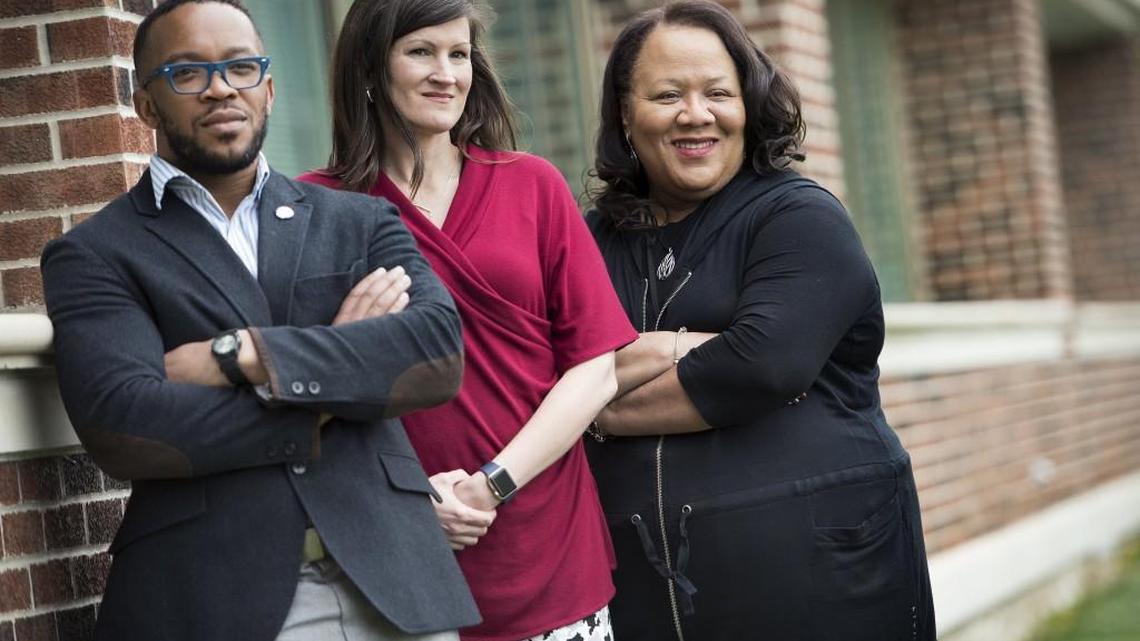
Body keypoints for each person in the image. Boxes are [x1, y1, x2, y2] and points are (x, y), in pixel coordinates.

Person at [39, 1, 481, 639]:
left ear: (269, 89)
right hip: (217, 595)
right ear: (146, 105)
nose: (222, 88)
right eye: (188, 74)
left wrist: (244, 354)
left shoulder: (359, 222)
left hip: (395, 579)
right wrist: (339, 369)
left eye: (241, 68)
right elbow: (128, 426)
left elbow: (436, 357)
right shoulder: (96, 254)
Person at [584, 2, 936, 640]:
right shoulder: (591, 241)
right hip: (646, 590)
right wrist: (689, 347)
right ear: (626, 116)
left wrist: (586, 402)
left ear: (748, 105)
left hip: (821, 578)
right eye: (667, 94)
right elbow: (540, 366)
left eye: (718, 91)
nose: (697, 113)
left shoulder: (797, 218)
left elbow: (759, 366)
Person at [298, 2, 637, 640]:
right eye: (421, 52)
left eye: (459, 54)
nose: (446, 74)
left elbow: (594, 369)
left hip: (546, 544)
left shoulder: (532, 185)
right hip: (398, 554)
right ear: (372, 65)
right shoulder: (315, 209)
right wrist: (407, 497)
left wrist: (491, 485)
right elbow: (297, 397)